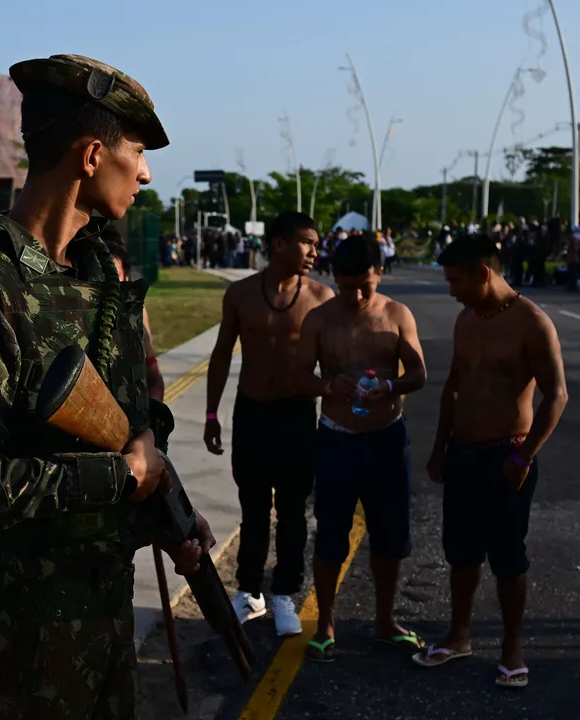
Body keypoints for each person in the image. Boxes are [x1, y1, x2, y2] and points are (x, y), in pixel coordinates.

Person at [0, 54, 215, 717]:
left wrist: (163, 504)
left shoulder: (98, 279)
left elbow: (132, 423)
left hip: (111, 617)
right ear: (92, 154)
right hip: (28, 641)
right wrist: (121, 479)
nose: (146, 173)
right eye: (137, 152)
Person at [413, 236, 567, 689]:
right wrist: (440, 447)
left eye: (455, 280)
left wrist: (523, 457)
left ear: (483, 273)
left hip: (507, 456)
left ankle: (512, 648)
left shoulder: (532, 323)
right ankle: (458, 636)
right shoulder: (466, 319)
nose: (451, 291)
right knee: (460, 553)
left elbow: (556, 396)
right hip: (463, 453)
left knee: (508, 558)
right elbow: (453, 389)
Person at [292, 235, 428, 662]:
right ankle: (326, 622)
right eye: (348, 285)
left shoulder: (396, 314)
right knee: (331, 535)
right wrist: (330, 384)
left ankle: (385, 620)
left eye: (365, 286)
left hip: (387, 438)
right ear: (334, 276)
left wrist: (390, 385)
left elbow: (419, 372)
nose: (355, 295)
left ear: (379, 275)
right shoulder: (319, 319)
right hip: (336, 438)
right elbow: (300, 376)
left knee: (389, 537)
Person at [203, 211, 334, 636]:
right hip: (252, 411)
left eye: (317, 244)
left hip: (297, 414)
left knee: (293, 509)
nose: (315, 251)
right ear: (279, 244)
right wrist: (210, 414)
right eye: (307, 242)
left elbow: (333, 365)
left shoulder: (320, 297)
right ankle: (249, 592)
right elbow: (222, 353)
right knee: (254, 504)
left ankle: (283, 594)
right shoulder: (240, 294)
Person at [101, 228, 165, 401]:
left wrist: (151, 421)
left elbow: (155, 380)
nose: (106, 285)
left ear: (126, 278)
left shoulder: (136, 315)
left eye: (114, 277)